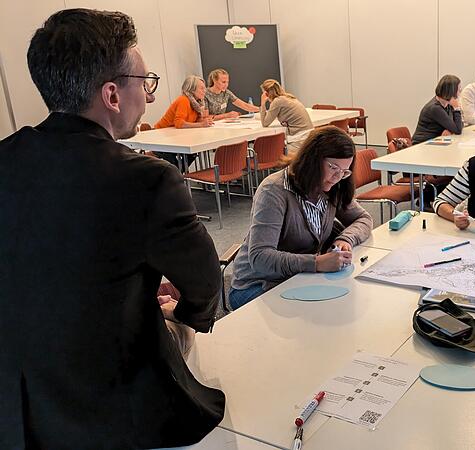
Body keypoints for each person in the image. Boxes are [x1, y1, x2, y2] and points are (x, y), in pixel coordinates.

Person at [0, 9, 224, 448]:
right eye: (146, 83)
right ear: (112, 95)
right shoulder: (146, 179)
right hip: (115, 411)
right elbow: (204, 284)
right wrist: (182, 316)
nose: (151, 98)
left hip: (19, 407)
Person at [229, 126, 373, 309]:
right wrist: (316, 263)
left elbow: (363, 218)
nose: (338, 177)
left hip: (297, 277)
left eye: (345, 172)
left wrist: (345, 239)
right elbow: (260, 258)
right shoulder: (273, 191)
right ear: (313, 160)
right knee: (314, 316)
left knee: (341, 307)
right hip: (256, 284)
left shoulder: (332, 187)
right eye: (333, 167)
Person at [259, 79, 313, 150]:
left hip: (299, 138)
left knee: (277, 151)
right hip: (309, 136)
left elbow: (265, 123)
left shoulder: (277, 101)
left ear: (266, 94)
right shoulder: (289, 97)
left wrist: (262, 103)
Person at [411, 74, 463, 144]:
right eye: (459, 90)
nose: (460, 92)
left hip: (436, 141)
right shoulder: (435, 108)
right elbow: (458, 130)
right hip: (422, 144)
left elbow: (460, 124)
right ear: (451, 91)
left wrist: (450, 130)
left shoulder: (447, 104)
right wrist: (457, 108)